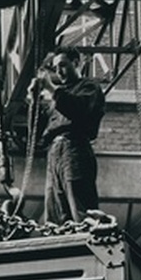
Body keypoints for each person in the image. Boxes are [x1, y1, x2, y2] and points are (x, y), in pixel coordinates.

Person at [28, 45, 105, 225]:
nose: (58, 72)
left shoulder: (89, 87)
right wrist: (34, 100)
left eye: (62, 65)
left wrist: (50, 87)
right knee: (55, 211)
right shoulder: (58, 99)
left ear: (76, 63)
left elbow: (79, 109)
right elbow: (36, 133)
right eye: (56, 68)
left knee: (80, 207)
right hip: (54, 153)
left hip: (75, 149)